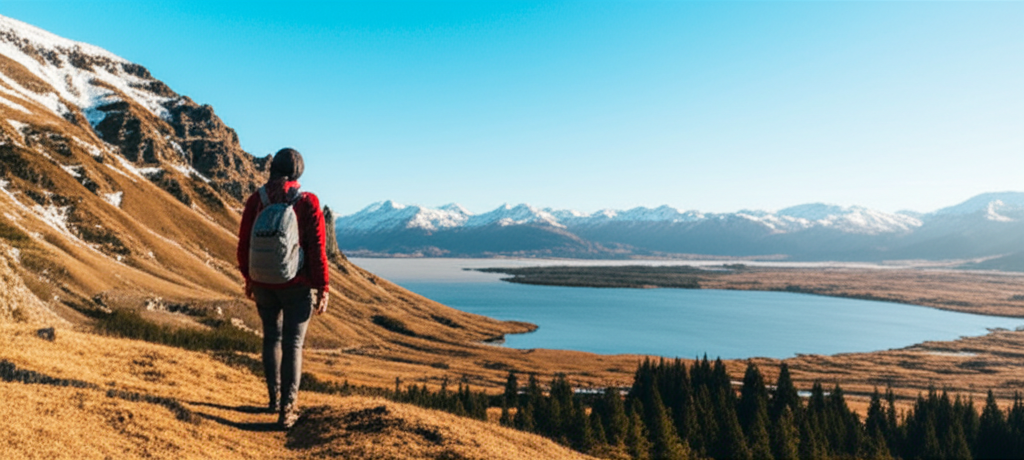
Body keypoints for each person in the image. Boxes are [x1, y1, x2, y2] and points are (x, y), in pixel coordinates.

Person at [237, 147, 330, 429]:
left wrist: (249, 278)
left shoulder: (257, 200)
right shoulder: (307, 202)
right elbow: (316, 249)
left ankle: (273, 400)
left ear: (273, 169)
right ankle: (287, 409)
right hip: (296, 284)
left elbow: (244, 244)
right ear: (298, 172)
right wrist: (322, 286)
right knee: (293, 344)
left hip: (263, 282)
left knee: (271, 339)